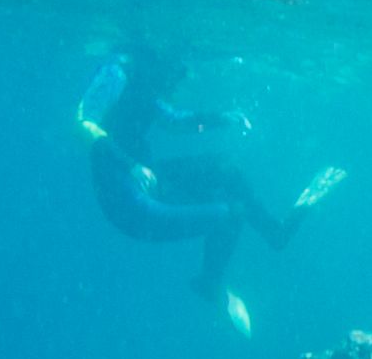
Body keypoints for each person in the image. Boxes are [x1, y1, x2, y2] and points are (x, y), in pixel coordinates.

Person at [75, 45, 341, 338]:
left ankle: (276, 233)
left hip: (148, 182)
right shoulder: (119, 71)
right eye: (176, 72)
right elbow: (84, 122)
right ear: (161, 60)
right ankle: (209, 284)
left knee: (228, 169)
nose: (178, 81)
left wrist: (223, 117)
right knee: (231, 216)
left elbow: (174, 121)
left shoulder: (147, 80)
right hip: (127, 204)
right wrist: (129, 166)